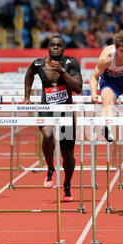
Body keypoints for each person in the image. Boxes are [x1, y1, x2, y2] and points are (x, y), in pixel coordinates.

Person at [23, 35, 83, 201]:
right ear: (47, 47)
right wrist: (27, 96)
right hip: (46, 108)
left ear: (63, 48)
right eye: (52, 45)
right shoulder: (38, 63)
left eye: (59, 45)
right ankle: (50, 168)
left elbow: (78, 88)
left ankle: (67, 184)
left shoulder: (71, 63)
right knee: (48, 135)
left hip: (65, 110)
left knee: (68, 154)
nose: (55, 47)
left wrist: (62, 72)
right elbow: (29, 74)